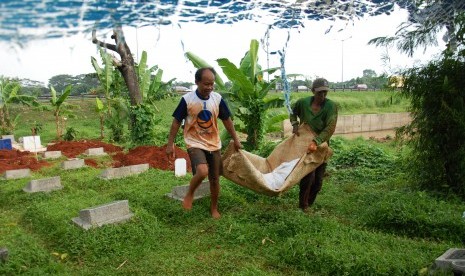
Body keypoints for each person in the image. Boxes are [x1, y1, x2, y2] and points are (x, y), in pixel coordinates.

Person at [166, 67, 242, 219]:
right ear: (197, 82)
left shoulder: (217, 99)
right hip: (194, 141)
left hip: (213, 143)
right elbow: (176, 122)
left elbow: (227, 120)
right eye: (206, 84)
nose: (209, 87)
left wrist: (236, 138)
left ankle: (214, 208)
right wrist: (170, 144)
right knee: (202, 171)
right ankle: (190, 194)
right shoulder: (187, 100)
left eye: (212, 84)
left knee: (214, 178)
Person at [289, 77, 338, 212]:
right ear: (313, 91)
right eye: (319, 93)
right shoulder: (303, 103)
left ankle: (309, 203)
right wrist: (294, 124)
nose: (322, 95)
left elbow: (330, 127)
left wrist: (316, 142)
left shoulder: (331, 106)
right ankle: (303, 206)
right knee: (307, 178)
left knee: (318, 182)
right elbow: (293, 113)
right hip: (305, 146)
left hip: (321, 146)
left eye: (325, 93)